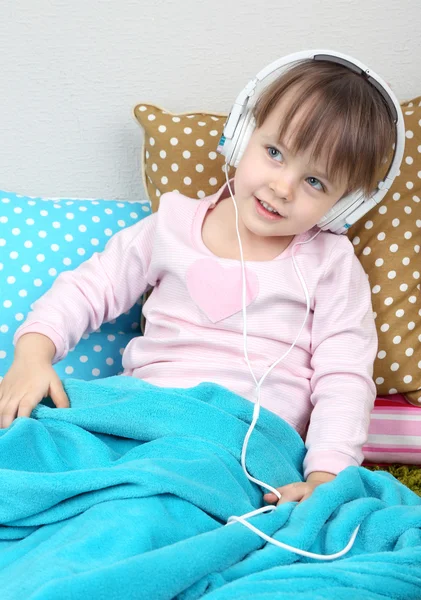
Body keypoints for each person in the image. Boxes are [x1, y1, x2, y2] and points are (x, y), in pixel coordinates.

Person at [0, 58, 396, 507]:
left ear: (342, 205)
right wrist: (32, 355)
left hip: (240, 437)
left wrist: (326, 476)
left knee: (158, 508)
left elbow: (344, 376)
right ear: (241, 137)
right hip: (140, 411)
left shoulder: (331, 263)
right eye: (274, 153)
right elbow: (89, 289)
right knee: (35, 447)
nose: (283, 187)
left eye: (314, 181)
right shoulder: (171, 224)